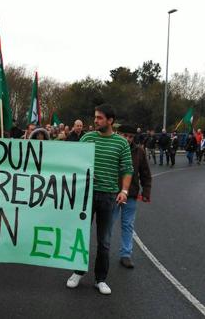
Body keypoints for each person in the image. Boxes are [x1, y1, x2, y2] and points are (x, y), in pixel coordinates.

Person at [66, 104, 133, 295]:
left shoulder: (121, 143)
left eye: (99, 118)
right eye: (95, 117)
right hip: (86, 195)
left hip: (109, 197)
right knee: (81, 236)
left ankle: (100, 279)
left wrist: (125, 191)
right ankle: (78, 272)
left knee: (104, 240)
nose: (95, 121)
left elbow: (127, 169)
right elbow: (75, 161)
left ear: (110, 120)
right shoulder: (87, 138)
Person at [113, 125, 151, 269]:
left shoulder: (139, 152)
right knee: (108, 224)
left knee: (128, 225)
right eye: (125, 135)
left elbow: (145, 173)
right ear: (119, 134)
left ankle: (126, 254)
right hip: (113, 193)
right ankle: (103, 251)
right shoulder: (113, 148)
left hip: (131, 194)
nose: (128, 139)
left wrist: (146, 192)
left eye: (130, 136)